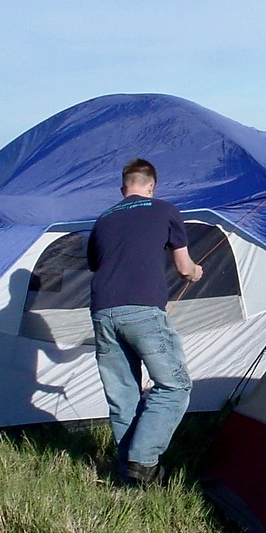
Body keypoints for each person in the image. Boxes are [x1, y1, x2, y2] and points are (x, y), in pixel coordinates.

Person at [87, 158, 202, 486]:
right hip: (142, 311)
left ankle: (130, 479)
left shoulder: (103, 219)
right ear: (151, 186)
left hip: (102, 311)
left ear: (123, 188)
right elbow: (184, 267)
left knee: (123, 396)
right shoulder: (165, 210)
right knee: (174, 386)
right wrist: (195, 273)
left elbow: (96, 264)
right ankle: (143, 460)